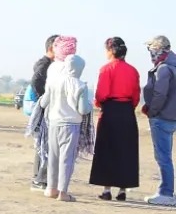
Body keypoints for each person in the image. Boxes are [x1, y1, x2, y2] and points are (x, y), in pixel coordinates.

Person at [39, 37, 91, 202]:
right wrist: (89, 106)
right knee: (67, 159)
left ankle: (50, 188)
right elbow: (83, 109)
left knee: (53, 156)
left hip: (53, 122)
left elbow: (43, 102)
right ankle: (63, 192)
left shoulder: (54, 79)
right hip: (71, 125)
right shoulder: (80, 85)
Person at [90, 37, 140, 202]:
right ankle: (122, 190)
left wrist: (98, 103)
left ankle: (106, 189)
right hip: (127, 111)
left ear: (110, 50)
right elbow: (135, 96)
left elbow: (101, 94)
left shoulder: (106, 69)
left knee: (107, 149)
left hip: (110, 110)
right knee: (125, 150)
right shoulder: (133, 71)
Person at [142, 34, 176, 207]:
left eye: (151, 49)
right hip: (172, 117)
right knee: (166, 156)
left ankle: (166, 192)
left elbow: (160, 94)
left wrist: (152, 111)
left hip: (162, 117)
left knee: (163, 157)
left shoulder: (164, 69)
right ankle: (168, 191)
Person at [29, 35, 58, 191]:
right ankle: (39, 179)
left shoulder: (49, 64)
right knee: (44, 144)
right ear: (52, 47)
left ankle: (39, 178)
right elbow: (36, 82)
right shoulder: (44, 64)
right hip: (44, 109)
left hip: (46, 109)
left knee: (44, 144)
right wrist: (45, 99)